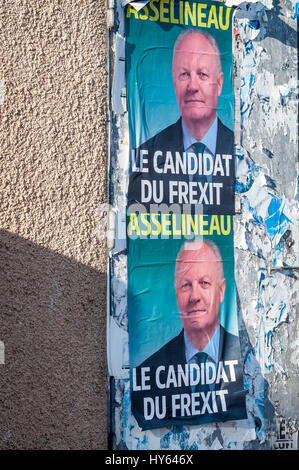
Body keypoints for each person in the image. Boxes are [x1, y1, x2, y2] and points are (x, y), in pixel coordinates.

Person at [131, 240, 247, 430]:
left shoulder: (245, 362)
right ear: (176, 292)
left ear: (221, 290)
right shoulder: (149, 375)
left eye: (204, 283)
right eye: (186, 285)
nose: (195, 296)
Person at [128, 30, 234, 214]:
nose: (192, 86)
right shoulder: (146, 157)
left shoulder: (240, 155)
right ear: (174, 81)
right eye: (184, 74)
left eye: (202, 74)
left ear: (219, 84)